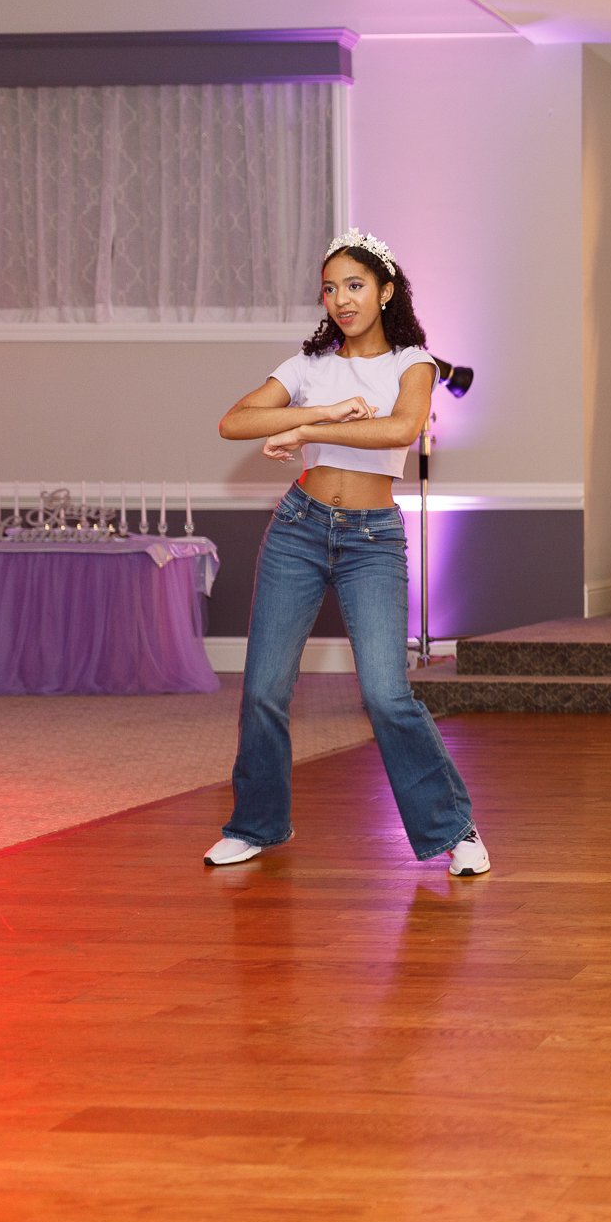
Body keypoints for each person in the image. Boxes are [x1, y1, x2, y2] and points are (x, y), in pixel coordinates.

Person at [203, 230, 487, 876]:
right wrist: (322, 408)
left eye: (354, 285)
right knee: (264, 690)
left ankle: (454, 829)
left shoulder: (413, 362)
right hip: (299, 529)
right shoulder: (309, 368)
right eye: (330, 288)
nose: (341, 299)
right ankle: (257, 824)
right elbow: (234, 421)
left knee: (387, 695)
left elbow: (401, 427)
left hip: (370, 539)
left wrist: (306, 426)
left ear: (386, 291)